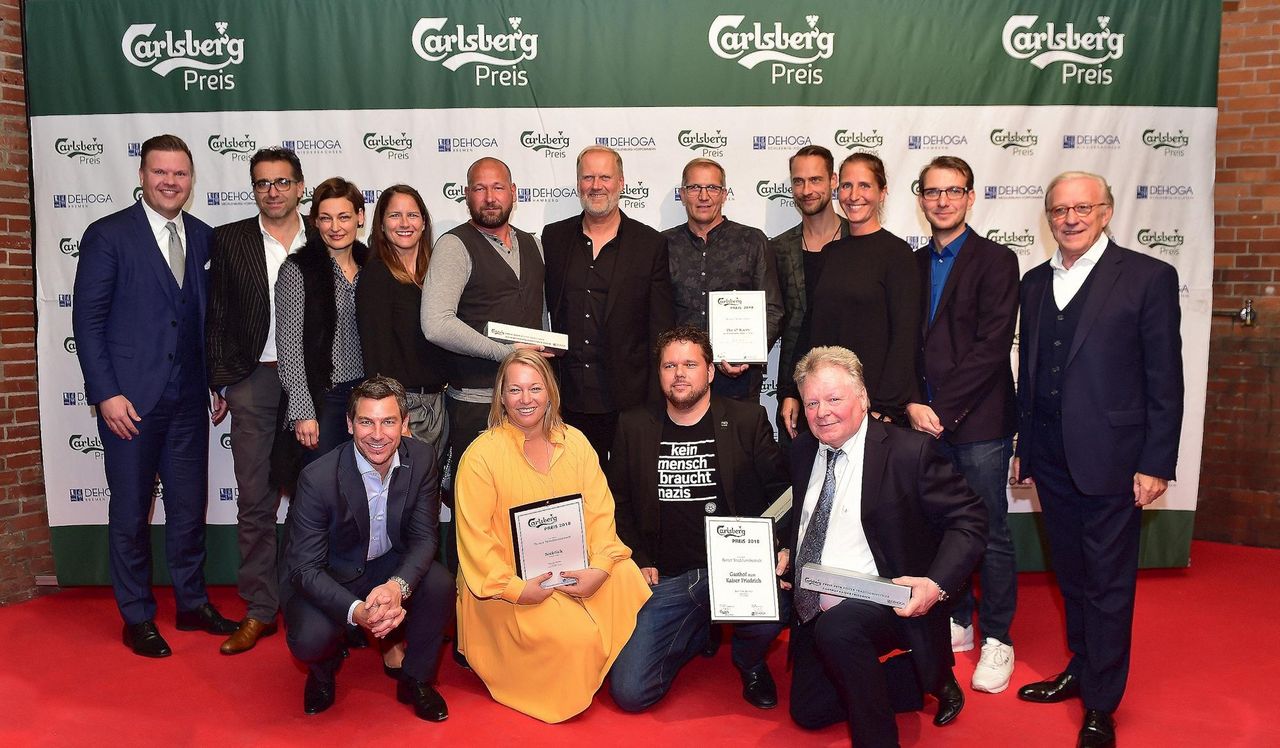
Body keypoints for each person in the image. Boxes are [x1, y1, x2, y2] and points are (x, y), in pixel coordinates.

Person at [1013, 172, 1183, 748]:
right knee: (1073, 576)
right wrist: (1026, 447)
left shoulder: (1147, 277)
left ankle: (1102, 702)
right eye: (1060, 209)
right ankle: (1082, 668)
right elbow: (1031, 372)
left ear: (1106, 212)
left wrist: (1156, 462)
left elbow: (1166, 378)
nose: (1071, 218)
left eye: (1083, 208)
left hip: (1115, 460)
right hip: (1051, 459)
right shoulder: (1034, 282)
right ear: (1048, 217)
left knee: (1108, 584)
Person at [72, 133, 236, 656]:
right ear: (142, 176)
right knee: (130, 513)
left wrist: (215, 380)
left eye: (179, 173)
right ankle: (137, 614)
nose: (170, 181)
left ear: (191, 180)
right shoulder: (108, 235)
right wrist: (106, 394)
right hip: (129, 404)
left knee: (188, 509)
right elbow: (87, 322)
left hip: (189, 401)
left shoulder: (205, 237)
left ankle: (191, 603)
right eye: (160, 172)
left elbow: (209, 320)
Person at [785, 346, 985, 748]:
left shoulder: (910, 451)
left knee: (840, 630)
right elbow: (797, 516)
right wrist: (783, 549)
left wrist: (935, 584)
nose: (822, 412)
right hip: (814, 599)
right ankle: (917, 677)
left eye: (834, 399)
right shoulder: (802, 450)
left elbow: (970, 520)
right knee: (808, 711)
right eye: (812, 402)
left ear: (862, 398)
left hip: (887, 596)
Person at [453, 349, 650, 723]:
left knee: (627, 577)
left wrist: (600, 569)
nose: (525, 399)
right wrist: (517, 589)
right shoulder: (480, 457)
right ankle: (576, 656)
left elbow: (600, 515)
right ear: (501, 396)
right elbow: (476, 542)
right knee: (577, 639)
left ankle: (597, 652)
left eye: (535, 388)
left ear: (550, 393)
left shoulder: (576, 442)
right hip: (511, 587)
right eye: (515, 390)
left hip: (574, 569)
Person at [608, 326, 789, 712]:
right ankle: (696, 629)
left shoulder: (747, 419)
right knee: (630, 692)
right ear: (659, 374)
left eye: (690, 364)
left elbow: (783, 492)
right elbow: (617, 501)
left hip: (736, 570)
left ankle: (750, 662)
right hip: (669, 576)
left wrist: (776, 547)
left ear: (709, 371)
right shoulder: (633, 425)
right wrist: (639, 556)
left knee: (782, 602)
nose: (679, 374)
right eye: (669, 365)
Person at [906, 156, 1020, 692]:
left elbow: (992, 347)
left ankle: (998, 636)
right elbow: (903, 344)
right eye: (933, 192)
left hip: (978, 425)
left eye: (953, 191)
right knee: (939, 528)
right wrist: (912, 403)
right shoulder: (911, 263)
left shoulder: (997, 261)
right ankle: (958, 617)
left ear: (971, 197)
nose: (943, 201)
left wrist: (942, 412)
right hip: (921, 421)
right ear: (921, 199)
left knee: (990, 531)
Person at [280, 376, 453, 721]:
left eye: (388, 421)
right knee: (310, 638)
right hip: (331, 572)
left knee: (440, 584)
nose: (377, 434)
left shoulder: (421, 458)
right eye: (366, 422)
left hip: (387, 564)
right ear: (349, 424)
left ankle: (416, 679)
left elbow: (424, 538)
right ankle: (323, 670)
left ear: (404, 424)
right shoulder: (318, 477)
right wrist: (357, 612)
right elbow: (305, 569)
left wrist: (397, 586)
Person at [206, 146, 311, 655]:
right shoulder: (230, 240)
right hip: (255, 380)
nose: (273, 191)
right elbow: (216, 316)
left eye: (282, 181)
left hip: (316, 384)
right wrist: (222, 381)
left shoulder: (327, 235)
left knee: (321, 497)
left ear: (300, 187)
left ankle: (317, 603)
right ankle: (260, 609)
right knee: (254, 499)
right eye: (262, 183)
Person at [421, 157, 548, 570]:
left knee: (528, 509)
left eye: (497, 187)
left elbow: (540, 317)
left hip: (529, 407)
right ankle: (466, 602)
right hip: (476, 406)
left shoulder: (533, 244)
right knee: (475, 516)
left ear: (514, 192)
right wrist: (505, 353)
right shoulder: (454, 245)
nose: (489, 197)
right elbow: (436, 324)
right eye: (479, 188)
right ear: (466, 195)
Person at [543, 145, 675, 460]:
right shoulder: (553, 238)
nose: (596, 185)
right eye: (588, 177)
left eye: (605, 177)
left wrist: (656, 400)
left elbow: (661, 328)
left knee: (626, 487)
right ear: (578, 184)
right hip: (565, 400)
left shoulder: (650, 244)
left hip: (628, 402)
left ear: (621, 183)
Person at [780, 153, 920, 429]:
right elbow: (810, 328)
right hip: (826, 406)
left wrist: (884, 409)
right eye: (847, 186)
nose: (854, 195)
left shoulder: (898, 254)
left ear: (882, 192)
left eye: (864, 185)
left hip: (875, 411)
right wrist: (791, 391)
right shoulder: (831, 253)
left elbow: (905, 340)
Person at [664, 158, 783, 403]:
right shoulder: (663, 245)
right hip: (680, 381)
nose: (703, 196)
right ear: (682, 195)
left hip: (739, 382)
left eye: (712, 188)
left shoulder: (752, 241)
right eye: (694, 188)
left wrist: (746, 355)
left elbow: (772, 309)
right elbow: (653, 312)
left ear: (724, 194)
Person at [275, 177, 368, 471]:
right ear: (315, 221)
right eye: (326, 218)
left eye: (344, 217)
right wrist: (303, 410)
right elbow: (289, 348)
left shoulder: (373, 266)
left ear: (360, 217)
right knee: (320, 483)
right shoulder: (298, 270)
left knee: (361, 483)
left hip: (366, 396)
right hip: (323, 399)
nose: (335, 227)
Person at [356, 185, 449, 460]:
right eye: (395, 215)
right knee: (403, 484)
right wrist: (394, 417)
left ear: (424, 223)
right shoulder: (376, 275)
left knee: (430, 485)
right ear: (381, 225)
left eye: (412, 215)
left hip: (440, 403)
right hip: (403, 407)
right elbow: (375, 355)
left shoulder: (436, 273)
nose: (405, 223)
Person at [771, 145, 850, 447]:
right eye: (798, 181)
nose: (806, 190)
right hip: (798, 394)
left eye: (815, 180)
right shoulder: (778, 249)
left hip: (851, 389)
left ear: (833, 181)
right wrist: (789, 391)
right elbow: (772, 318)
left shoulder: (858, 241)